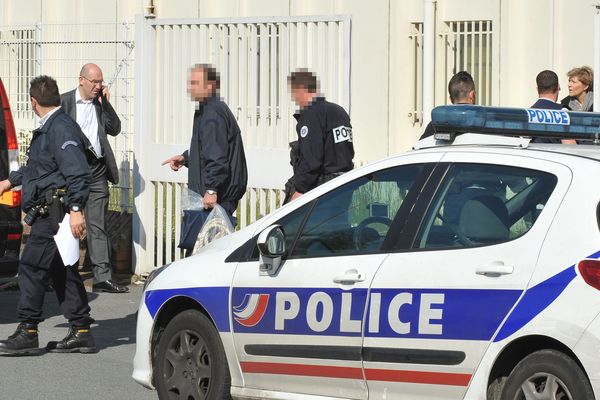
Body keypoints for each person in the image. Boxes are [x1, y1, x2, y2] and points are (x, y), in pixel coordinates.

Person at [0, 75, 96, 355]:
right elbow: (39, 169)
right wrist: (9, 181)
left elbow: (78, 172)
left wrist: (77, 209)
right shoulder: (51, 126)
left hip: (55, 213)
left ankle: (28, 331)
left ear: (32, 101)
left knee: (30, 266)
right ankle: (81, 331)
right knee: (60, 269)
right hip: (52, 210)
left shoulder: (60, 129)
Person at [162, 64, 248, 255]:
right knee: (205, 249)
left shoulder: (212, 113)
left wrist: (211, 189)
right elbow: (208, 149)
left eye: (194, 83)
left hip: (217, 197)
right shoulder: (208, 110)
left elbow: (217, 157)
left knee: (206, 252)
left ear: (209, 86)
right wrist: (186, 158)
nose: (189, 88)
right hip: (217, 195)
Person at [61, 63, 128, 293]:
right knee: (67, 224)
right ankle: (61, 274)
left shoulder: (101, 104)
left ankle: (102, 277)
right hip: (71, 171)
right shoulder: (64, 103)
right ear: (81, 80)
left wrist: (106, 105)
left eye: (101, 81)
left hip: (97, 169)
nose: (99, 86)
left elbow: (115, 128)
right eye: (94, 82)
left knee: (97, 225)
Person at [285, 69, 354, 203]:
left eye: (294, 93)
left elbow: (311, 159)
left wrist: (300, 189)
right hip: (345, 186)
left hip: (323, 190)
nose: (295, 99)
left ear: (301, 89)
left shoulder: (312, 114)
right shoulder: (339, 112)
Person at [419, 70, 476, 139]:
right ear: (472, 95)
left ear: (451, 99)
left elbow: (418, 147)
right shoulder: (482, 124)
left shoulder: (435, 126)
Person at [531, 70, 576, 144]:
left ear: (537, 89)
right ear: (558, 87)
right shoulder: (563, 112)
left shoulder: (529, 113)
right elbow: (570, 145)